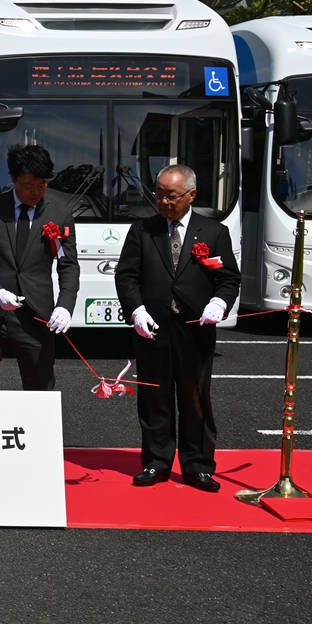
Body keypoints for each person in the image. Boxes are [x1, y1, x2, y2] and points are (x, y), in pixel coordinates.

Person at [115, 165, 241, 492]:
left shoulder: (213, 232)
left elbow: (228, 278)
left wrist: (218, 304)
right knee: (154, 399)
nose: (164, 202)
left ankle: (197, 465)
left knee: (195, 400)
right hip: (153, 328)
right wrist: (137, 310)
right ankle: (156, 461)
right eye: (159, 194)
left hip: (194, 329)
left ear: (191, 195)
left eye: (171, 196)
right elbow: (126, 276)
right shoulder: (142, 230)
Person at [0, 143, 79, 391]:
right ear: (13, 178)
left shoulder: (60, 214)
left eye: (42, 184)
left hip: (36, 315)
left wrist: (65, 306)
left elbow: (68, 265)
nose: (35, 191)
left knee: (40, 388)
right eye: (28, 185)